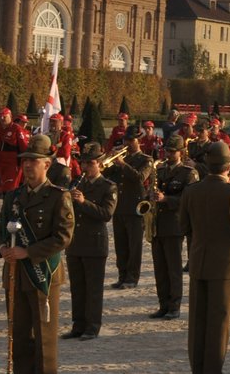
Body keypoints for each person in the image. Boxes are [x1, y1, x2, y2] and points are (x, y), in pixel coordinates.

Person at [0, 134, 75, 374]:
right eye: (25, 161)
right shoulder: (14, 196)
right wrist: (3, 248)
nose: (27, 166)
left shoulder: (57, 197)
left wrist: (28, 251)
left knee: (43, 333)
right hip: (15, 274)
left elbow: (63, 236)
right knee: (19, 331)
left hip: (43, 274)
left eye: (33, 161)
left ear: (47, 164)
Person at [179, 143, 230, 374]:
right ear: (229, 166)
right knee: (219, 320)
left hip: (199, 259)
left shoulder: (191, 191)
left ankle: (198, 372)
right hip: (225, 263)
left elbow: (183, 227)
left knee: (198, 319)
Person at [63, 144, 117, 340]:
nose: (86, 166)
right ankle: (78, 325)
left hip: (95, 244)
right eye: (84, 162)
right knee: (77, 287)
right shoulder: (79, 183)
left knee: (93, 289)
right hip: (76, 242)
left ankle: (92, 326)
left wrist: (84, 202)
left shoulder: (108, 186)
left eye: (91, 163)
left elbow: (106, 214)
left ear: (100, 164)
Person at [148, 136, 198, 319]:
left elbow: (189, 200)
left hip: (174, 225)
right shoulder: (159, 170)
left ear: (181, 153)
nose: (168, 154)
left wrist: (166, 199)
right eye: (167, 151)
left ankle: (175, 306)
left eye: (172, 151)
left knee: (173, 268)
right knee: (160, 268)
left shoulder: (188, 173)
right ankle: (163, 304)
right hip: (157, 225)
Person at [105, 134, 154, 289]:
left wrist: (123, 164)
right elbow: (106, 175)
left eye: (131, 140)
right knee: (121, 245)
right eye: (126, 140)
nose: (127, 143)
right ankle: (122, 276)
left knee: (134, 246)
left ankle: (132, 277)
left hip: (135, 207)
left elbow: (140, 177)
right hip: (119, 206)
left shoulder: (146, 160)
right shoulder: (120, 159)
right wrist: (109, 159)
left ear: (138, 141)